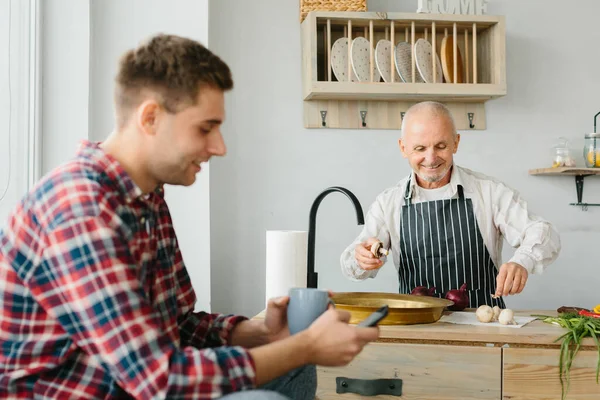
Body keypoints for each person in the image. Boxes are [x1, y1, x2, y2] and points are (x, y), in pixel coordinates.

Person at [0, 34, 379, 400]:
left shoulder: (147, 198)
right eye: (205, 128)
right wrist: (306, 346)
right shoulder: (80, 208)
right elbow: (160, 382)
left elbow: (177, 326)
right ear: (150, 118)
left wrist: (258, 331)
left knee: (294, 365)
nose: (220, 147)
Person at [340, 101, 561, 309]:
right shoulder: (388, 203)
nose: (431, 158)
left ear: (456, 142)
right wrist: (362, 258)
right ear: (403, 148)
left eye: (441, 146)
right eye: (419, 148)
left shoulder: (489, 192)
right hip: (417, 329)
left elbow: (544, 233)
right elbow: (351, 266)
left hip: (482, 328)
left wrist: (522, 261)